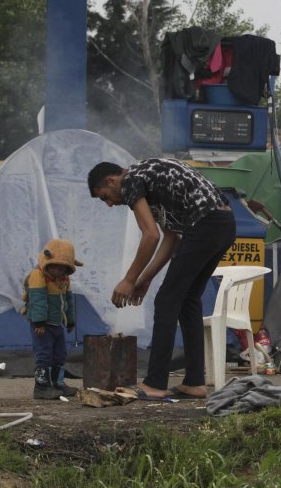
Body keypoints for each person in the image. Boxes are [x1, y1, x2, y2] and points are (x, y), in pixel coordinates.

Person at [88, 159, 236, 400]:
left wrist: (128, 279)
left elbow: (150, 236)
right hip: (224, 224)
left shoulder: (132, 180)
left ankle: (155, 383)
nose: (109, 204)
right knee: (188, 300)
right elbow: (170, 238)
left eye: (104, 196)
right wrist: (144, 280)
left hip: (205, 225)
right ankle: (195, 382)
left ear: (112, 181)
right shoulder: (150, 177)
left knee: (166, 301)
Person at [22, 238, 82, 400]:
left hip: (56, 324)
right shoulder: (38, 275)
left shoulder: (63, 280)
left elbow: (68, 300)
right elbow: (38, 299)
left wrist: (69, 321)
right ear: (46, 262)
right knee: (44, 353)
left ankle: (57, 383)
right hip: (42, 325)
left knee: (60, 353)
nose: (58, 271)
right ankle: (42, 387)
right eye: (54, 266)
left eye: (62, 268)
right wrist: (39, 322)